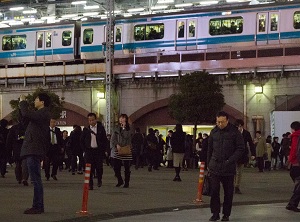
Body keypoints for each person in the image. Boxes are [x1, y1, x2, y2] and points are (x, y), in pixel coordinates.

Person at [207, 111, 245, 221]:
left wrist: (230, 160)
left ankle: (226, 214)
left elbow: (240, 148)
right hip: (215, 166)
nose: (220, 124)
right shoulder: (214, 132)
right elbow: (209, 148)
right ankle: (215, 213)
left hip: (228, 167)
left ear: (227, 121)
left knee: (228, 193)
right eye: (218, 122)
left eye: (222, 122)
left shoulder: (234, 132)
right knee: (214, 191)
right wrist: (209, 163)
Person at [19, 93, 51, 214]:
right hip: (33, 148)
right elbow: (24, 118)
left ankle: (37, 206)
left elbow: (27, 113)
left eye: (36, 99)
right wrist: (21, 107)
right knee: (35, 179)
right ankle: (38, 206)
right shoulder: (40, 114)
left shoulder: (43, 113)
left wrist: (22, 102)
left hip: (34, 149)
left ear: (42, 102)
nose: (34, 101)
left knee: (36, 179)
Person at [80, 113, 107, 190]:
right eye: (89, 120)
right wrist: (85, 149)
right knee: (89, 169)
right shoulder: (86, 130)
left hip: (98, 151)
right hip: (89, 151)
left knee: (99, 167)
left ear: (96, 119)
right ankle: (90, 184)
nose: (91, 122)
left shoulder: (101, 128)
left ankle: (99, 179)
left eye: (92, 120)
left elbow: (104, 140)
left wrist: (104, 150)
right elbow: (81, 141)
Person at [6, 114, 29, 185]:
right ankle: (24, 178)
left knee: (19, 164)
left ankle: (20, 178)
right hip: (25, 148)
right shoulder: (29, 127)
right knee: (25, 164)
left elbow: (9, 140)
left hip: (17, 148)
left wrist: (9, 150)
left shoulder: (14, 128)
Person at [234, 119, 256, 194]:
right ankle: (232, 185)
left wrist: (253, 154)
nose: (239, 128)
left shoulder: (246, 133)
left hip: (242, 154)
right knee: (233, 171)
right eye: (237, 126)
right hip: (233, 154)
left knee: (239, 171)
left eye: (240, 126)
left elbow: (251, 144)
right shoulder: (233, 133)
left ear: (242, 126)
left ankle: (237, 186)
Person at [111, 114, 132, 188]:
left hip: (126, 149)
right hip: (118, 149)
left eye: (123, 118)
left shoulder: (129, 128)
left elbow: (126, 136)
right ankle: (120, 180)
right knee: (116, 167)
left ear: (126, 119)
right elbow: (113, 139)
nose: (121, 119)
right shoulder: (116, 128)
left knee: (127, 167)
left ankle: (127, 182)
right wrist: (116, 145)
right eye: (120, 118)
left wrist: (123, 128)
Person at [286, 121, 300, 212]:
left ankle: (292, 204)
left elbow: (294, 150)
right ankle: (292, 204)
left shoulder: (295, 136)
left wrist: (290, 160)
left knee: (298, 185)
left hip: (296, 164)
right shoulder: (296, 136)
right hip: (297, 164)